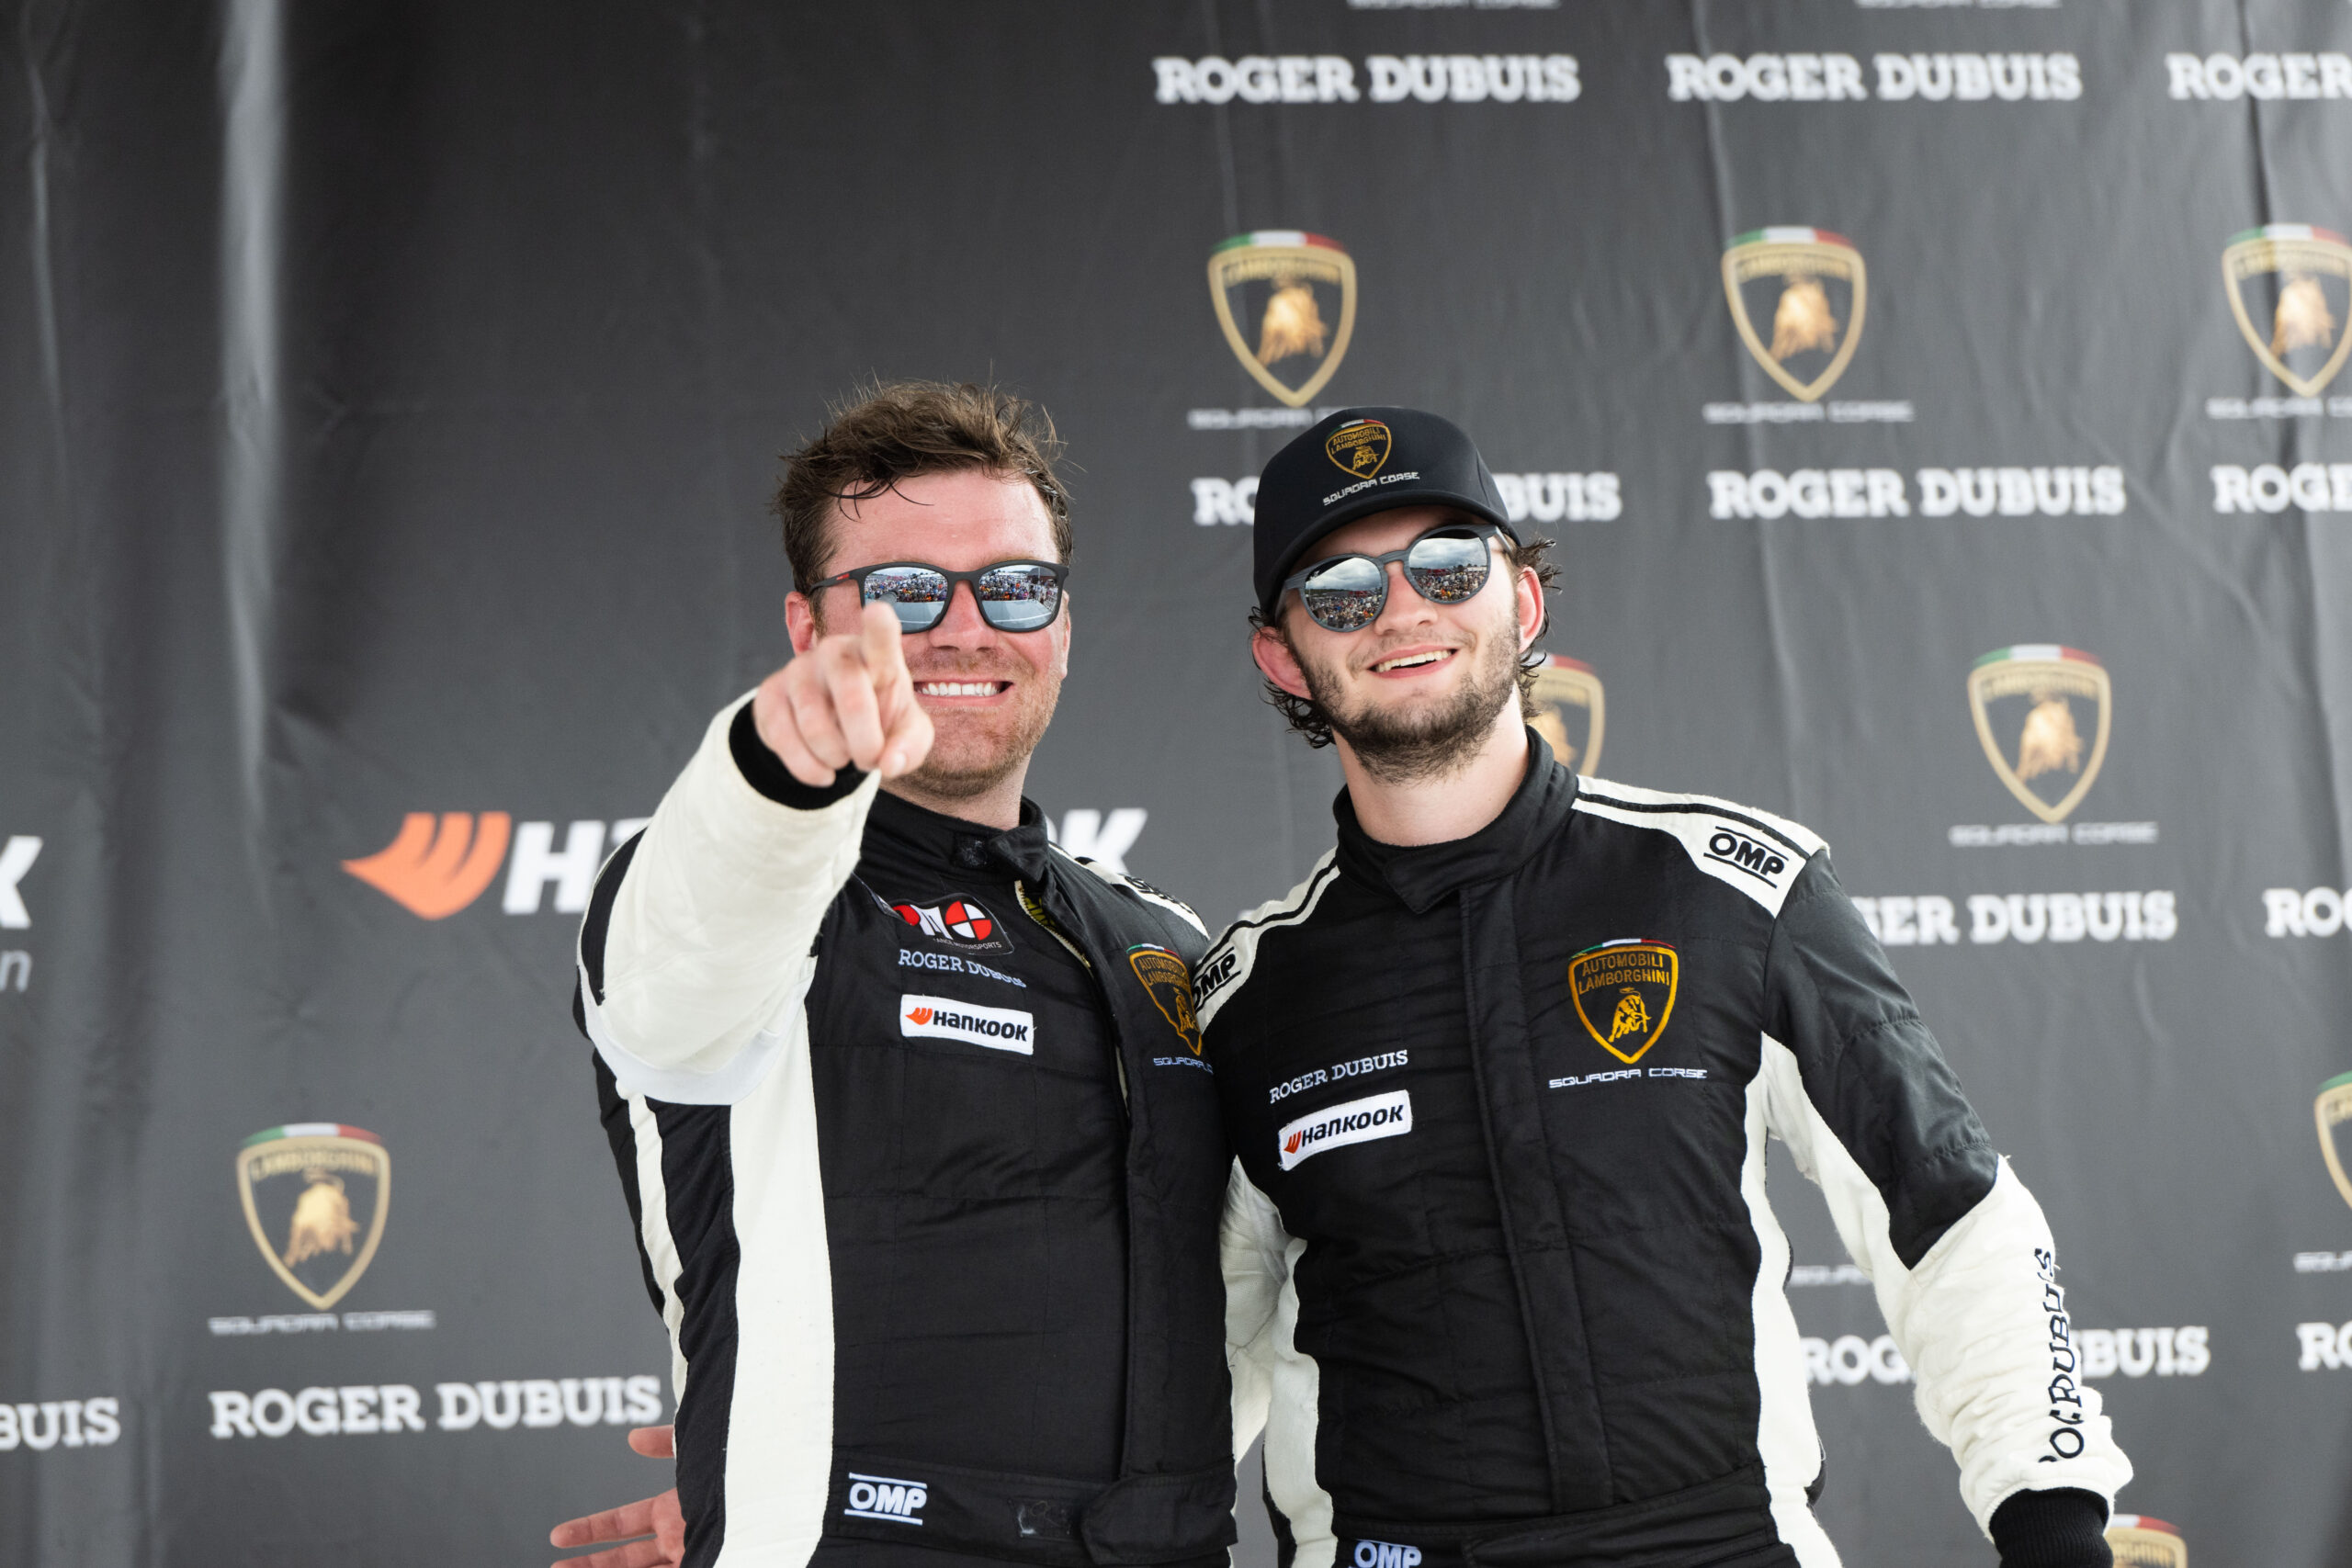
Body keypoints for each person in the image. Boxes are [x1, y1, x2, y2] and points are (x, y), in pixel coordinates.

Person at [1204, 407, 2132, 1568]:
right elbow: (1201, 1362)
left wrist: (2051, 1518)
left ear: (1521, 601)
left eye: (1447, 565)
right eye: (1341, 591)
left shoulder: (1735, 890)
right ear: (1282, 656)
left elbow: (1951, 1216)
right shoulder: (1247, 995)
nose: (1401, 610)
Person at [555, 381, 1236, 1568]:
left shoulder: (1163, 940)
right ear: (808, 628)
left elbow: (1254, 1293)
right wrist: (784, 761)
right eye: (903, 591)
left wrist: (744, 1454)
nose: (963, 628)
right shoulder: (748, 897)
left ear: (1062, 626)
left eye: (1014, 586)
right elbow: (705, 915)